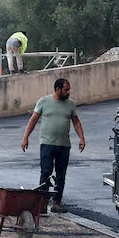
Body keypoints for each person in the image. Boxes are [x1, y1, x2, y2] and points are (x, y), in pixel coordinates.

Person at [21, 78, 86, 213]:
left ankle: (57, 202)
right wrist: (25, 137)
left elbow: (76, 122)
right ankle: (42, 204)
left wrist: (81, 139)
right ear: (58, 89)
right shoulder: (44, 101)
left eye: (69, 89)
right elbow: (33, 120)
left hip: (64, 145)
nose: (69, 92)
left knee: (61, 174)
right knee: (46, 173)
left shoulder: (71, 104)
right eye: (66, 90)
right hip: (47, 144)